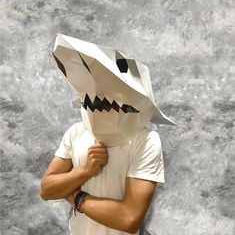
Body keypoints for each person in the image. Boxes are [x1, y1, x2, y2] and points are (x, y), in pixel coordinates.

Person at [40, 34, 176, 235]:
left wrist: (75, 196)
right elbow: (47, 189)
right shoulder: (76, 132)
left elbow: (129, 219)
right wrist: (84, 171)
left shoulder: (146, 140)